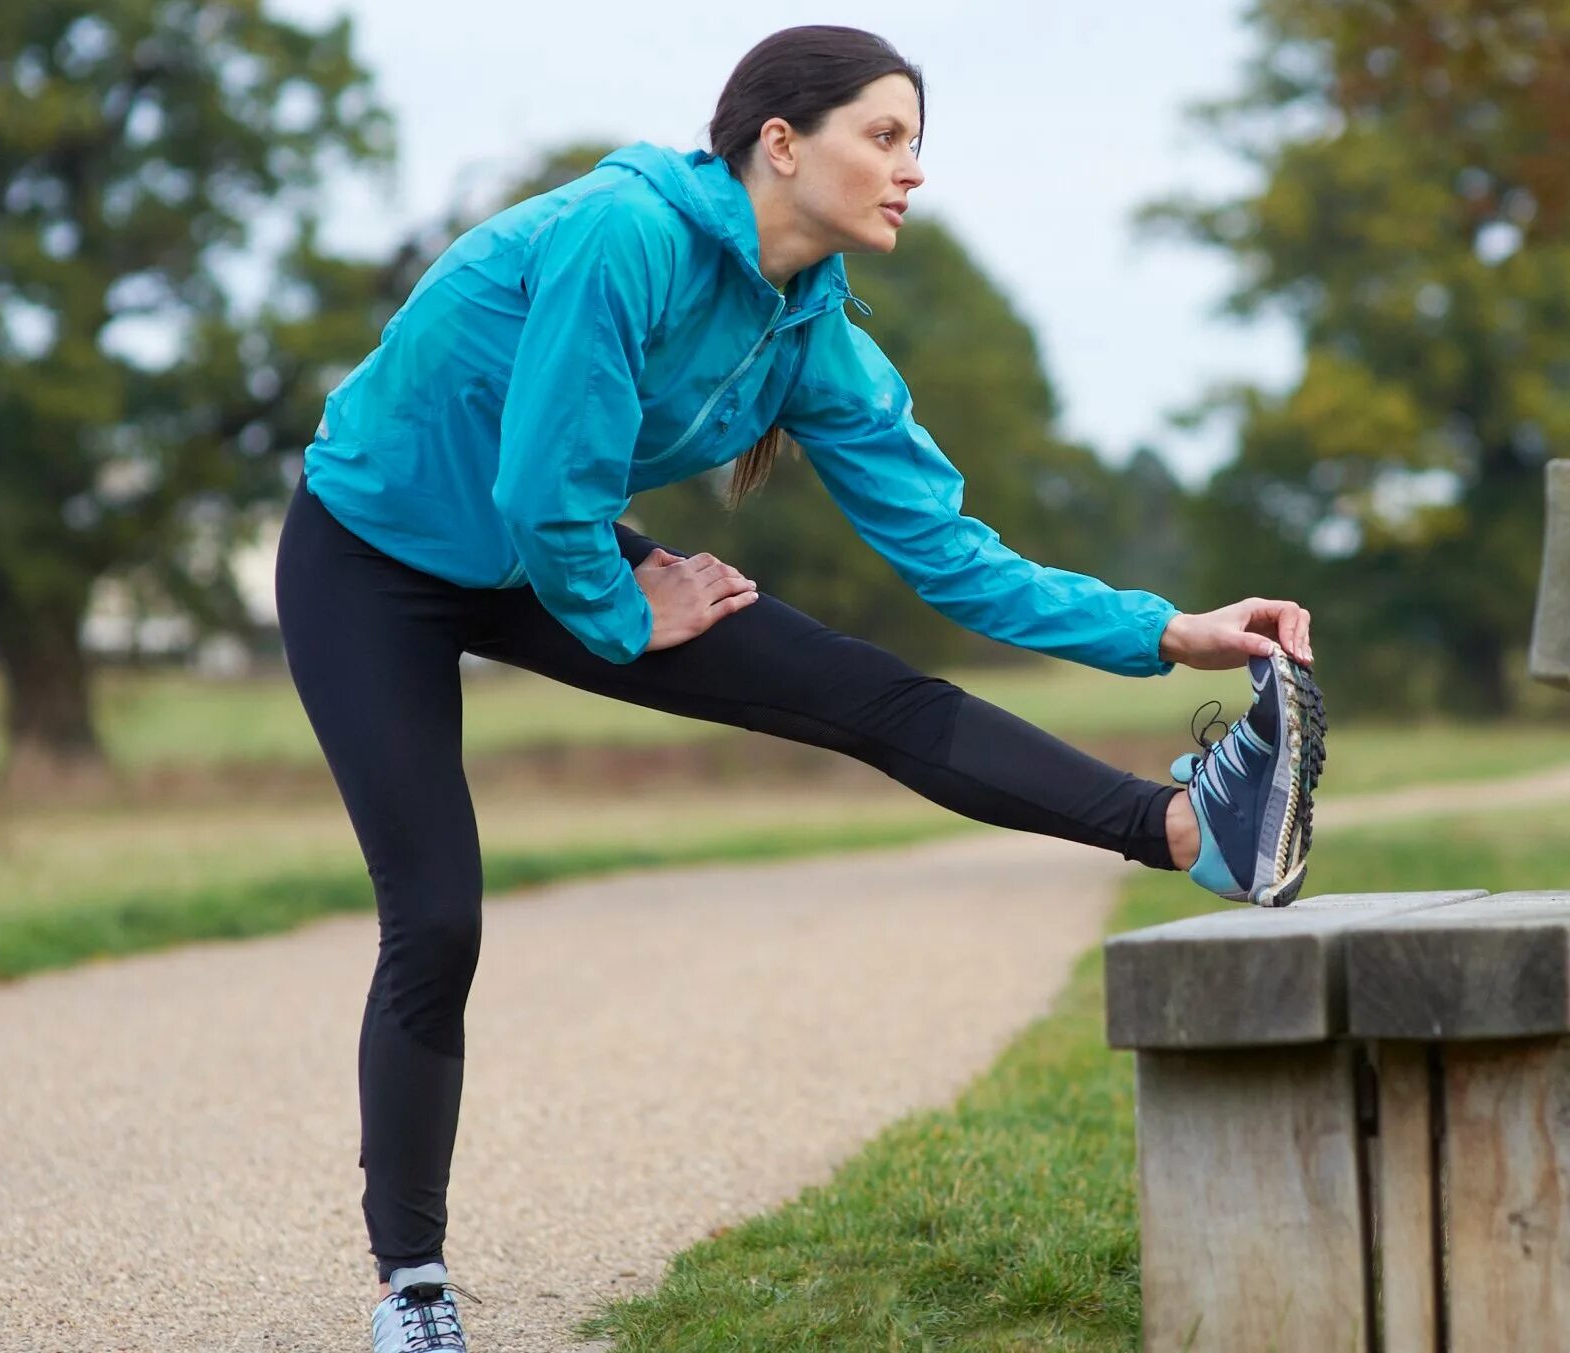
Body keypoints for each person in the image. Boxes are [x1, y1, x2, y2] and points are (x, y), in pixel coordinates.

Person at [272, 25, 1326, 1353]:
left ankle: (1187, 829)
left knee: (868, 690)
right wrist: (622, 610)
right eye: (884, 138)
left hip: (552, 547)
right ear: (781, 144)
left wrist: (1169, 631)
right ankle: (412, 1286)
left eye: (914, 144)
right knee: (435, 913)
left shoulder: (807, 324)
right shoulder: (622, 237)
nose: (911, 172)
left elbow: (950, 552)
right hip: (372, 551)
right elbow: (543, 495)